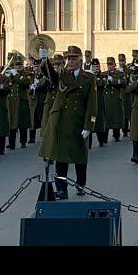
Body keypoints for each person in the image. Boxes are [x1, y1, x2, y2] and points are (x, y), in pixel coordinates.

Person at [40, 45, 97, 199]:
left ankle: (80, 184)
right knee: (61, 158)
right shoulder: (61, 75)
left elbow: (92, 105)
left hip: (78, 122)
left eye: (73, 58)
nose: (70, 61)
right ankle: (61, 189)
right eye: (68, 58)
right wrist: (44, 60)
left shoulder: (89, 78)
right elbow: (49, 73)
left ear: (80, 59)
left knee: (80, 158)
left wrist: (89, 125)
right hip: (62, 122)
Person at [5, 55, 33, 150]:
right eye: (16, 65)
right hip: (12, 101)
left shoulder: (27, 74)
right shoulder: (10, 74)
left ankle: (23, 141)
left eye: (20, 64)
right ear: (14, 65)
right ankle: (11, 143)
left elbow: (26, 82)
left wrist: (16, 75)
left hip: (22, 101)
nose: (18, 66)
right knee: (12, 123)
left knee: (23, 123)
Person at [103, 56, 126, 142]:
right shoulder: (104, 74)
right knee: (107, 119)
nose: (109, 66)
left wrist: (113, 80)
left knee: (116, 117)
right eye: (108, 64)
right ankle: (104, 137)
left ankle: (116, 134)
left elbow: (123, 82)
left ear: (114, 65)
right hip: (107, 99)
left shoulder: (119, 74)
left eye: (111, 64)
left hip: (116, 98)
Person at [28, 59, 47, 144]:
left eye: (38, 66)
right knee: (33, 118)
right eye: (35, 66)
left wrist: (38, 85)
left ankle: (44, 136)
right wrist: (31, 87)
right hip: (33, 100)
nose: (36, 68)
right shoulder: (31, 76)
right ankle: (32, 138)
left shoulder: (44, 76)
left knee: (42, 118)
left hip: (41, 99)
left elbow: (45, 86)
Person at [90, 58, 108, 148]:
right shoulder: (89, 76)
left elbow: (101, 83)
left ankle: (101, 140)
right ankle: (88, 143)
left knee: (100, 122)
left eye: (97, 66)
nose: (96, 68)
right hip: (91, 103)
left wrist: (93, 77)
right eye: (94, 66)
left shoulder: (103, 76)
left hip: (99, 103)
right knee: (91, 120)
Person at [118, 53, 132, 137]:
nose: (121, 63)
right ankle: (123, 129)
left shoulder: (128, 70)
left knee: (127, 111)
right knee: (121, 111)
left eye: (122, 61)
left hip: (127, 93)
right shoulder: (117, 70)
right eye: (120, 61)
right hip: (120, 92)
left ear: (125, 61)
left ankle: (126, 129)